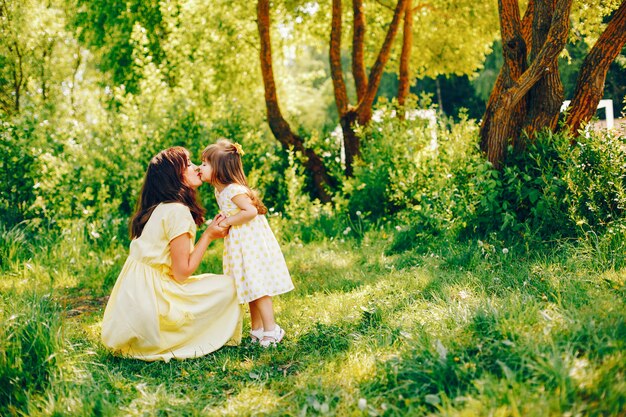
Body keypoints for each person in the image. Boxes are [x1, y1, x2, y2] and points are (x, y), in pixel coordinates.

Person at [101, 146, 242, 362]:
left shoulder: (159, 208)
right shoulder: (178, 211)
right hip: (153, 306)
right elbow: (182, 273)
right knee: (228, 287)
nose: (196, 168)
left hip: (131, 308)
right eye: (188, 164)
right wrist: (208, 236)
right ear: (174, 176)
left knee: (211, 285)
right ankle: (177, 335)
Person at [199, 139, 294, 347]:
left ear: (219, 169)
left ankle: (272, 329)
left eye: (205, 163)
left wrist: (228, 222)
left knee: (258, 285)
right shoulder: (220, 191)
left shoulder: (234, 190)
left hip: (252, 242)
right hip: (240, 243)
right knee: (249, 284)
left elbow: (250, 211)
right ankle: (257, 328)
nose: (200, 167)